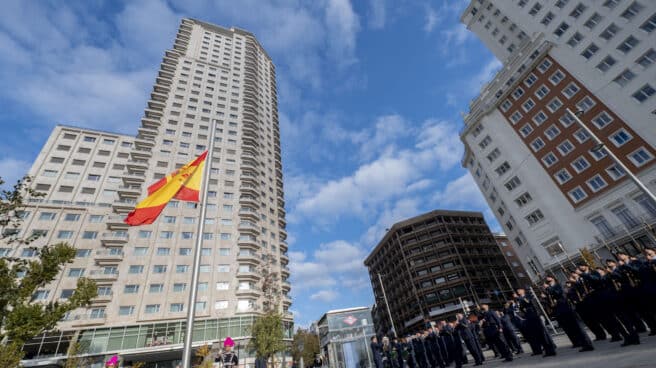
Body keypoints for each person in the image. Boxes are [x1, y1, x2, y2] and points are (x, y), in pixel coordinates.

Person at [544, 275, 594, 352]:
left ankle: (587, 344)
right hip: (559, 311)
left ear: (553, 279)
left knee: (577, 327)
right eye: (547, 281)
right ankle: (579, 343)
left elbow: (559, 293)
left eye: (549, 280)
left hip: (567, 308)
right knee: (569, 328)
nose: (548, 281)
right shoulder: (549, 289)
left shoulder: (559, 285)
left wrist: (549, 288)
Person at [515, 288, 556, 357]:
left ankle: (551, 350)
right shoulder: (519, 299)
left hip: (534, 316)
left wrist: (538, 314)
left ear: (523, 290)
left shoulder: (528, 296)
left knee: (542, 334)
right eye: (517, 291)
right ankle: (546, 350)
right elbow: (521, 309)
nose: (518, 291)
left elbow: (532, 304)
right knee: (537, 335)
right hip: (529, 317)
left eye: (519, 290)